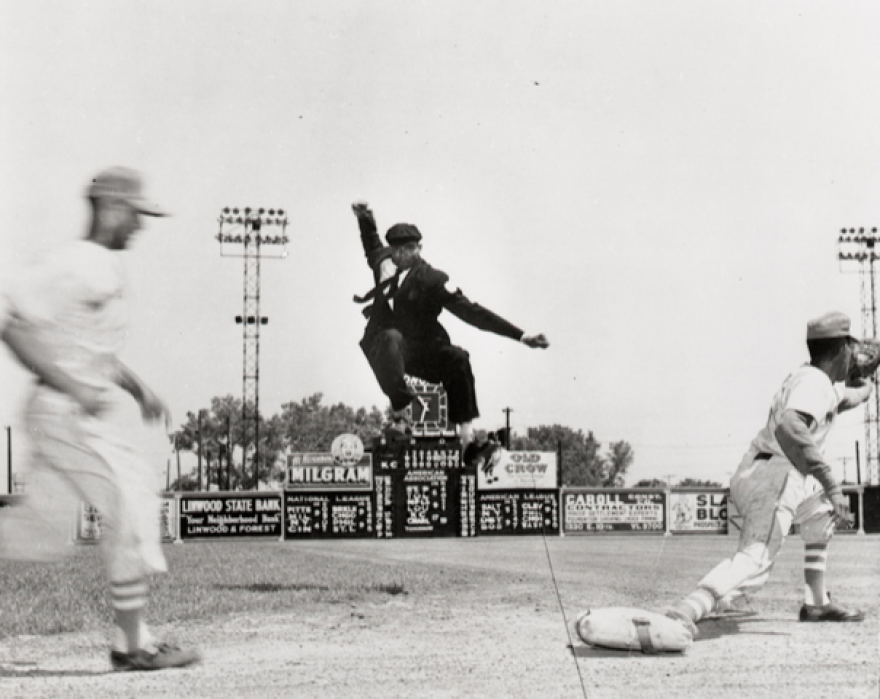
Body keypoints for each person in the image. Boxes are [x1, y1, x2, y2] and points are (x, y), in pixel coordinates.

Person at [0, 167, 200, 671]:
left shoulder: (100, 267)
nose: (140, 225)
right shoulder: (75, 263)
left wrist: (139, 391)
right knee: (129, 501)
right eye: (135, 213)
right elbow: (7, 321)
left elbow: (95, 354)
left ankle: (133, 640)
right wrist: (72, 386)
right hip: (62, 411)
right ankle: (132, 645)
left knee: (38, 535)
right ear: (111, 208)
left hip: (70, 414)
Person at [666, 311, 870, 637]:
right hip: (777, 475)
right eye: (852, 349)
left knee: (821, 514)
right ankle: (687, 609)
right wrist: (832, 483)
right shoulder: (815, 383)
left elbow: (852, 397)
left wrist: (865, 379)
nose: (856, 355)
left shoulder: (813, 379)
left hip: (765, 469)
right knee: (756, 560)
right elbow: (791, 426)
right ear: (843, 348)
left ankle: (816, 602)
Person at [351, 201, 549, 448]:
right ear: (392, 251)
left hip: (423, 352)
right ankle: (401, 418)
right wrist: (364, 216)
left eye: (411, 250)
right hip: (387, 350)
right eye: (399, 251)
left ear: (419, 249)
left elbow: (471, 311)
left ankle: (466, 435)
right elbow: (371, 241)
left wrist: (522, 336)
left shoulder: (432, 279)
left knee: (458, 358)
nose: (403, 256)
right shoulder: (382, 261)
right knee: (391, 337)